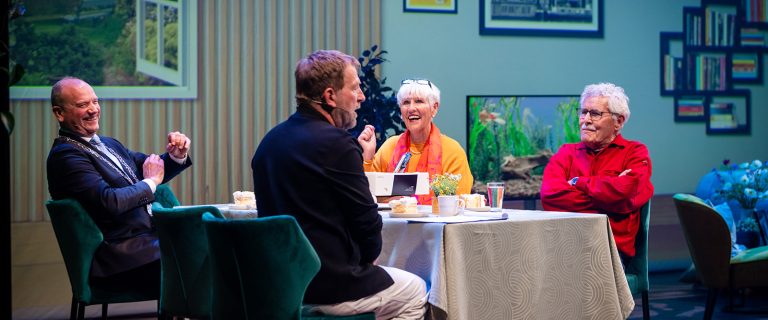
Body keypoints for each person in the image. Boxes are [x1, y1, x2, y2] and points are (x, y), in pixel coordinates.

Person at [251, 50, 427, 319]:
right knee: (416, 290)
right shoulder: (337, 144)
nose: (362, 97)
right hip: (330, 287)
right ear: (330, 96)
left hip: (280, 288)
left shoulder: (269, 142)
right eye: (355, 88)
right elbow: (368, 224)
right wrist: (368, 259)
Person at [47, 77, 192, 295]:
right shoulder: (66, 156)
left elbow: (151, 167)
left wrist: (176, 156)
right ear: (60, 113)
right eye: (82, 105)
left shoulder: (108, 144)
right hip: (120, 256)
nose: (93, 110)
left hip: (147, 242)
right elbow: (110, 202)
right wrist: (151, 182)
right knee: (198, 255)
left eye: (95, 102)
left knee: (206, 245)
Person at [540, 82, 654, 261]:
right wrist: (611, 203)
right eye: (583, 112)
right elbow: (549, 194)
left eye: (595, 113)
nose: (585, 120)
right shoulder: (566, 152)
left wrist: (578, 182)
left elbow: (626, 191)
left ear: (619, 121)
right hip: (565, 244)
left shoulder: (635, 152)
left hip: (609, 252)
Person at [357, 78, 473, 205]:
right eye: (406, 102)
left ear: (434, 108)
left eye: (419, 101)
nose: (411, 108)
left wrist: (395, 201)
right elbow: (366, 195)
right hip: (392, 223)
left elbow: (459, 201)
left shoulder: (452, 150)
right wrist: (367, 156)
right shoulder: (390, 146)